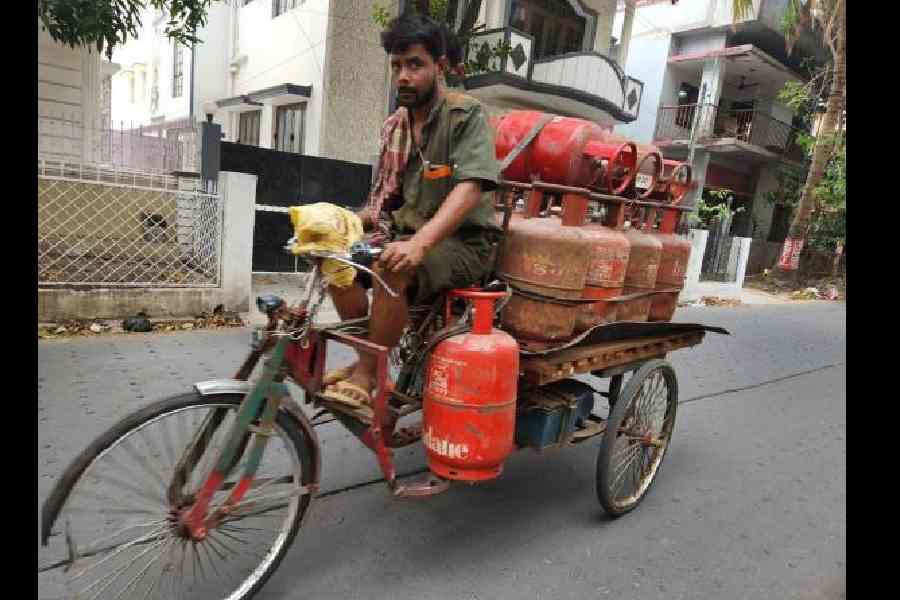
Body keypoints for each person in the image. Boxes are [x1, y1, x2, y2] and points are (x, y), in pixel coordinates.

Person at [320, 13, 502, 410]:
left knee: (392, 266)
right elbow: (384, 202)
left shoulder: (464, 114)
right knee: (334, 259)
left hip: (464, 243)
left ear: (439, 66)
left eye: (415, 64)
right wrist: (340, 221)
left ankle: (368, 373)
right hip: (407, 235)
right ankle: (368, 358)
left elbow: (471, 188)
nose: (403, 75)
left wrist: (419, 244)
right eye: (397, 66)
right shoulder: (395, 127)